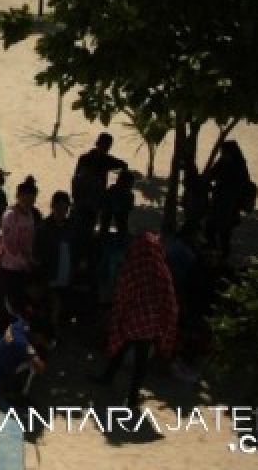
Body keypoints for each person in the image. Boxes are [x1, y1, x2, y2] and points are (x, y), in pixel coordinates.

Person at [93, 231, 178, 411]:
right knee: (141, 362)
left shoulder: (133, 267)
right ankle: (132, 396)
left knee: (120, 349)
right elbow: (169, 298)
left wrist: (119, 314)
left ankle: (107, 377)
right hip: (150, 324)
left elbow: (123, 292)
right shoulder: (161, 269)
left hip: (132, 321)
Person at [71, 133, 128, 243]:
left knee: (85, 229)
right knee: (81, 229)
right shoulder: (94, 159)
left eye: (107, 146)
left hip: (89, 201)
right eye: (105, 145)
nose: (106, 148)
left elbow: (123, 165)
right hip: (86, 200)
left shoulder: (93, 158)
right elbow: (76, 179)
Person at [204, 140, 253, 259]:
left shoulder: (239, 166)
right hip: (219, 202)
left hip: (231, 205)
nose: (223, 155)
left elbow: (244, 185)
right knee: (211, 229)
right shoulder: (223, 163)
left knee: (223, 233)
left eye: (224, 153)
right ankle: (216, 252)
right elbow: (210, 175)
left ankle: (222, 256)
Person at [35, 191, 74, 334]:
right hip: (50, 276)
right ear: (53, 207)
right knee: (51, 306)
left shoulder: (70, 226)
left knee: (62, 306)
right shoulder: (43, 228)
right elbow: (37, 254)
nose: (62, 212)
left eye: (65, 208)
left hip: (66, 276)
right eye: (59, 208)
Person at [0, 176, 39, 312]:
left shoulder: (30, 214)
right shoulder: (10, 215)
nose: (29, 202)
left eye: (32, 199)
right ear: (18, 196)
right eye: (25, 199)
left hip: (24, 266)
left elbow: (29, 240)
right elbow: (9, 244)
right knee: (13, 303)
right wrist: (24, 262)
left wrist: (30, 259)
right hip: (10, 267)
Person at [0, 316, 48, 403]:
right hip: (0, 378)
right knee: (33, 365)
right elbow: (40, 367)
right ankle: (15, 395)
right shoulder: (23, 344)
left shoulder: (19, 325)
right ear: (37, 334)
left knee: (37, 354)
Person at [99, 170, 136, 236]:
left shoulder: (128, 195)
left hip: (119, 213)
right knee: (107, 219)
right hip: (110, 211)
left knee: (121, 222)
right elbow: (105, 207)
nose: (130, 186)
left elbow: (128, 209)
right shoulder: (111, 192)